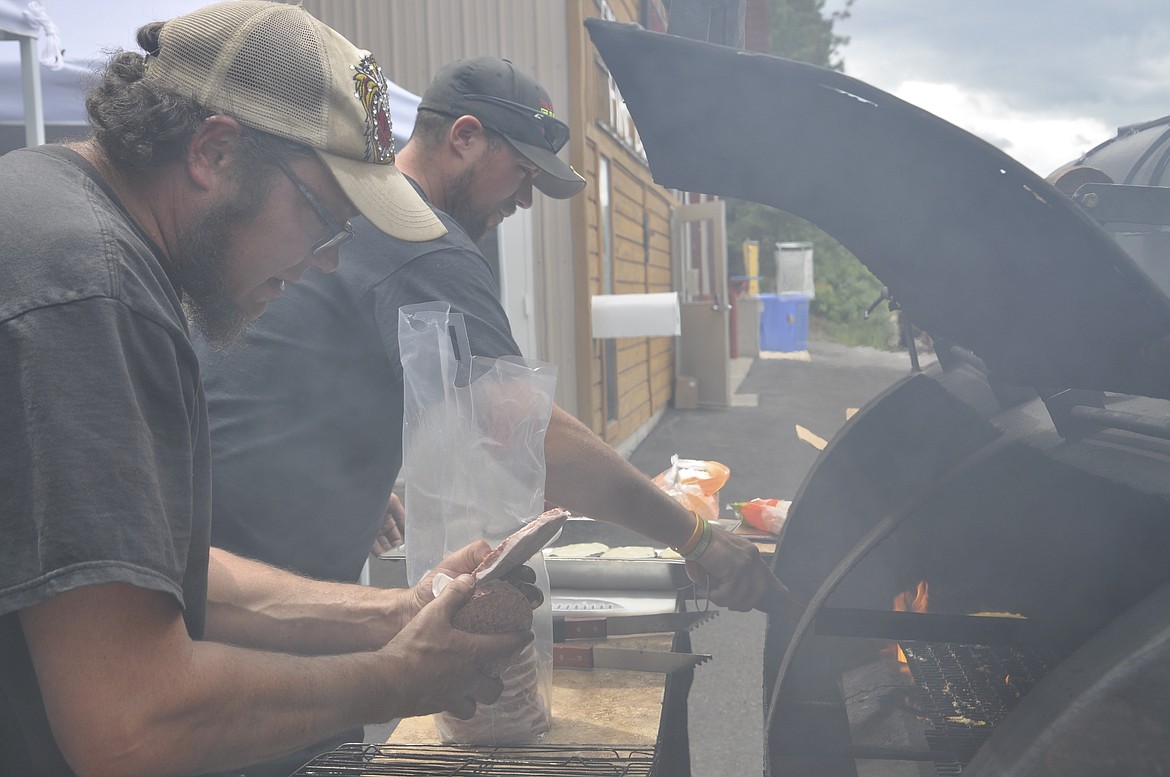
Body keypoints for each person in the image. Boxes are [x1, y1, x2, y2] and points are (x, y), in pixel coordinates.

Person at [0, 5, 531, 777]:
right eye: (324, 218)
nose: (324, 262)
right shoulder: (93, 291)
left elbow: (150, 574)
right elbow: (130, 721)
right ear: (215, 150)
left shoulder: (58, 212)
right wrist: (401, 678)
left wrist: (399, 611)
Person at [198, 56, 792, 609]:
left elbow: (281, 362)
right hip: (251, 580)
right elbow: (524, 432)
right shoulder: (418, 239)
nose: (526, 200)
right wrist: (696, 537)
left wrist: (347, 471)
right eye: (523, 172)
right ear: (465, 137)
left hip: (225, 544)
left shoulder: (366, 217)